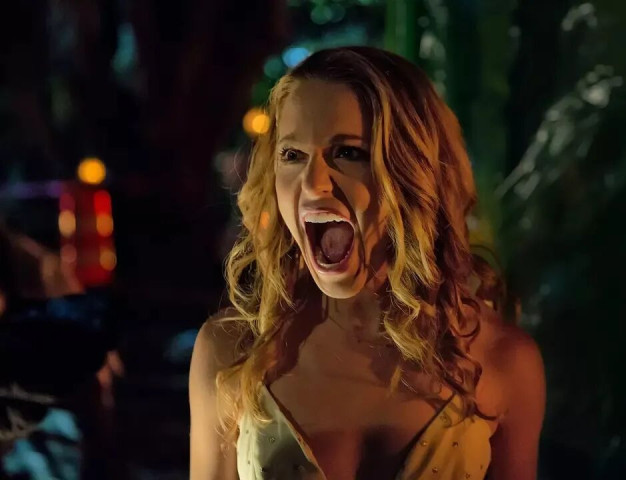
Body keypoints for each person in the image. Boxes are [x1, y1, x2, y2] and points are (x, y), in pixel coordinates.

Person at [190, 46, 545, 480]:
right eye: (293, 155)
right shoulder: (232, 353)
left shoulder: (503, 361)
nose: (313, 185)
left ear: (413, 172)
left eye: (348, 153)